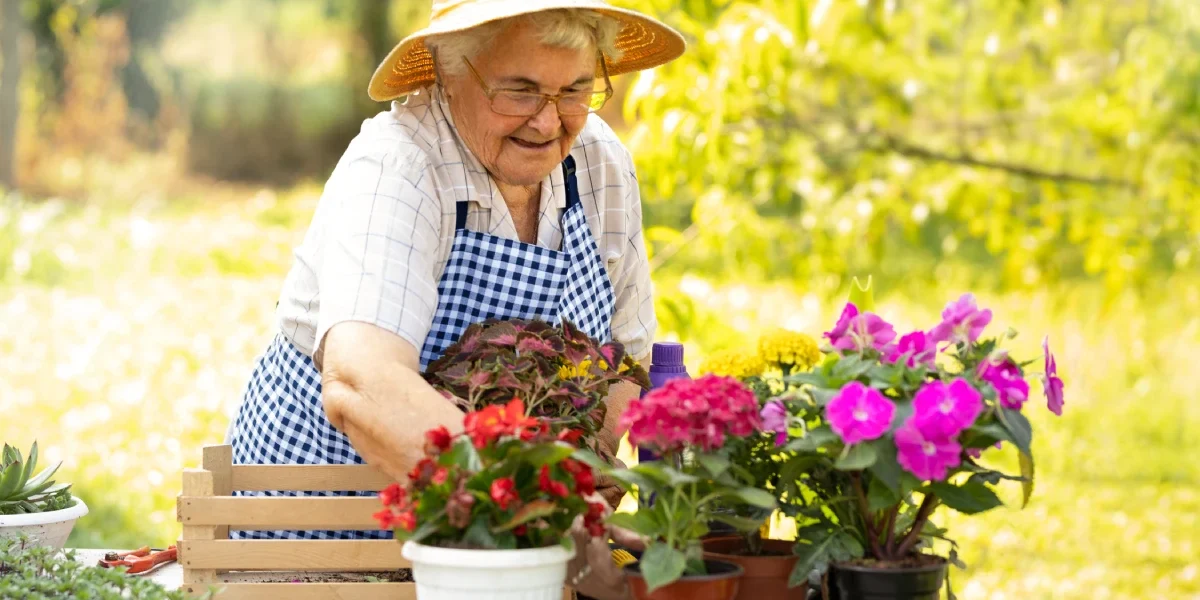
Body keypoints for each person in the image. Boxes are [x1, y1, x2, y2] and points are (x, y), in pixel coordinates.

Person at [222, 0, 685, 597]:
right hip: (332, 540)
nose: (549, 123)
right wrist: (534, 507)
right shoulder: (399, 165)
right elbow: (363, 383)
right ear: (448, 71)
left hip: (511, 552)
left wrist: (583, 489)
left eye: (574, 90)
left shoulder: (597, 161)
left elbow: (624, 357)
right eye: (519, 91)